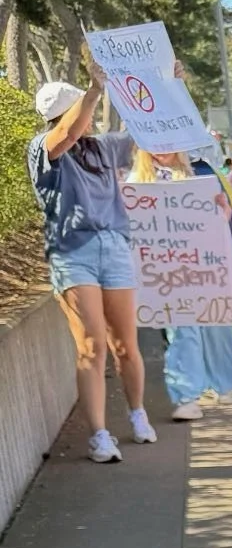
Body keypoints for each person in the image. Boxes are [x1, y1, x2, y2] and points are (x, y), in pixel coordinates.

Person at [28, 72, 155, 462]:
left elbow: (149, 133)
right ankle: (100, 436)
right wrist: (96, 91)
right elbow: (66, 134)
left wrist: (168, 85)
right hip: (72, 251)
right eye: (83, 108)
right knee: (91, 345)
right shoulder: (42, 148)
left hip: (114, 247)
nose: (90, 117)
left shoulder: (102, 147)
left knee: (125, 346)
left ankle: (137, 413)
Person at [130, 145, 232, 420]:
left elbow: (224, 217)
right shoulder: (136, 182)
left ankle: (221, 382)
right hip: (166, 274)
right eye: (154, 145)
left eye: (168, 144)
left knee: (216, 328)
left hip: (206, 267)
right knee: (181, 332)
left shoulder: (202, 175)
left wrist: (222, 213)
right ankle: (186, 396)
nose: (162, 151)